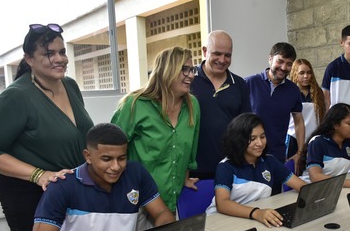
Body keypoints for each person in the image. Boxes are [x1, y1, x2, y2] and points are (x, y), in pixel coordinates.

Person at [0, 23, 94, 231]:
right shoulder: (16, 97)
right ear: (29, 58)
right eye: (49, 53)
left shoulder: (70, 86)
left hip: (67, 190)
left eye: (62, 52)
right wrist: (39, 174)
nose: (60, 59)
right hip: (27, 194)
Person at [26, 123, 175, 231]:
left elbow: (162, 213)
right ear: (88, 156)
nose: (116, 166)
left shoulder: (136, 173)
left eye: (122, 158)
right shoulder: (62, 186)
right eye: (107, 159)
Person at [111, 47, 200, 213]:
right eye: (184, 69)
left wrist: (185, 178)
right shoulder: (135, 104)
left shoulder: (192, 105)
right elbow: (110, 149)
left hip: (173, 200)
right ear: (167, 70)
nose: (192, 75)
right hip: (137, 202)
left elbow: (190, 150)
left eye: (192, 69)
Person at [206, 113, 307, 228]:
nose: (259, 143)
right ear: (239, 140)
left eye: (262, 137)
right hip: (221, 222)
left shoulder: (269, 161)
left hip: (251, 222)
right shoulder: (226, 166)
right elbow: (222, 203)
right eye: (252, 139)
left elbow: (302, 186)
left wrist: (320, 193)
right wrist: (257, 213)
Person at [190, 30, 251, 179]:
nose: (222, 60)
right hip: (192, 171)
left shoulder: (240, 84)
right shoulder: (188, 80)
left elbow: (245, 127)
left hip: (230, 168)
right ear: (205, 51)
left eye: (227, 55)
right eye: (217, 54)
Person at [245, 42, 305, 181]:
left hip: (277, 157)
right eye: (280, 61)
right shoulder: (249, 83)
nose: (284, 67)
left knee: (276, 198)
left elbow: (299, 122)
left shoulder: (293, 90)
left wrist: (300, 152)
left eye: (289, 64)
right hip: (248, 156)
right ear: (270, 59)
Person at [286, 58, 326, 161]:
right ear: (295, 74)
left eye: (308, 73)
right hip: (293, 138)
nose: (306, 76)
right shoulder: (289, 92)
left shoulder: (318, 93)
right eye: (301, 73)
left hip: (313, 138)